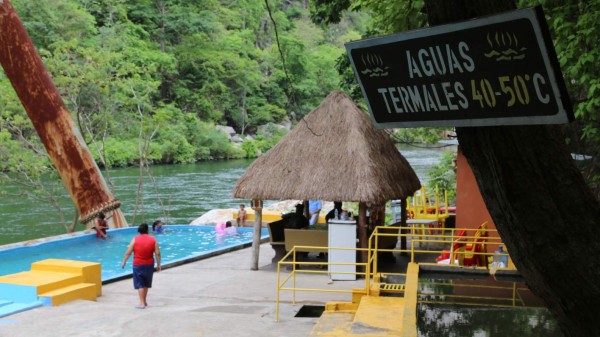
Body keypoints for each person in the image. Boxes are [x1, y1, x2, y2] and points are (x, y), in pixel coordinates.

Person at [121, 223, 161, 309]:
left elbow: (128, 252)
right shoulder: (153, 239)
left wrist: (124, 261)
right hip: (149, 264)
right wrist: (159, 265)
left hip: (138, 264)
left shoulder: (135, 239)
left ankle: (142, 303)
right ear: (147, 230)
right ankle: (144, 301)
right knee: (146, 283)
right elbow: (157, 253)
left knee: (140, 284)